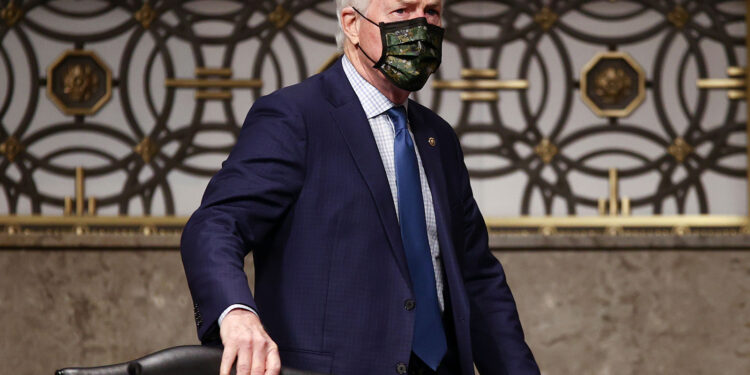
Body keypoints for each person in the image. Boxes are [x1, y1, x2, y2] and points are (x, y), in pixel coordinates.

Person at [180, 0, 540, 374]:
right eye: (402, 11)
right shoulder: (295, 117)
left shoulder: (439, 138)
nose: (421, 25)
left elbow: (478, 280)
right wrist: (235, 313)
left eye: (431, 11)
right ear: (351, 24)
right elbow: (216, 224)